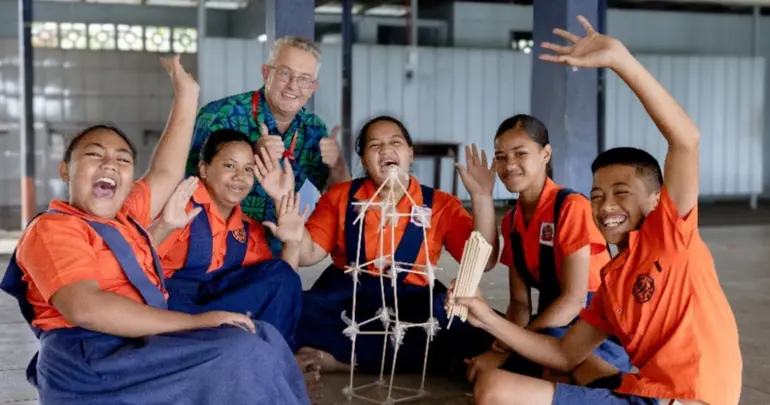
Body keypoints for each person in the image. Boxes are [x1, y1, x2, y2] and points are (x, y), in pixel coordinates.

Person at [452, 16, 742, 405]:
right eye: (598, 195)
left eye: (621, 193)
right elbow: (563, 352)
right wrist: (485, 316)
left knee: (494, 389)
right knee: (555, 364)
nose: (606, 206)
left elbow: (685, 139)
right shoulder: (612, 281)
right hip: (647, 389)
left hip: (687, 399)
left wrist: (621, 60)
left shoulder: (671, 236)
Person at [0, 56, 310, 405]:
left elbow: (165, 170)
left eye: (122, 160)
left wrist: (186, 94)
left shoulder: (126, 214)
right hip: (88, 356)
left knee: (262, 336)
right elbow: (85, 308)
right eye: (95, 155)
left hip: (139, 340)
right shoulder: (54, 227)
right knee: (238, 351)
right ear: (65, 170)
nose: (109, 164)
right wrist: (197, 323)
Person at [261, 115, 500, 375]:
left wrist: (482, 197)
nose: (386, 150)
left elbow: (484, 262)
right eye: (375, 145)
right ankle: (412, 359)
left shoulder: (441, 204)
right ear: (363, 159)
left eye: (395, 142)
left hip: (412, 300)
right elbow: (307, 254)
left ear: (410, 154)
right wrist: (292, 230)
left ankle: (341, 358)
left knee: (461, 321)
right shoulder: (341, 197)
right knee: (286, 308)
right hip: (346, 297)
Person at [463, 114, 631, 384]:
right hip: (550, 325)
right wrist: (507, 339)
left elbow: (574, 300)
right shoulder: (512, 222)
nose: (509, 165)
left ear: (546, 154)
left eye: (520, 154)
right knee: (476, 353)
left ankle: (607, 385)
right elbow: (519, 304)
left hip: (593, 330)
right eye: (501, 157)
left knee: (516, 370)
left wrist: (513, 344)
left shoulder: (570, 207)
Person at [189, 35, 351, 257]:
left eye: (304, 79)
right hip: (214, 251)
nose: (293, 85)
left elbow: (338, 197)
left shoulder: (314, 130)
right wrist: (248, 155)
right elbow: (188, 183)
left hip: (273, 254)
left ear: (313, 87)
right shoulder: (219, 115)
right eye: (285, 73)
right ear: (266, 73)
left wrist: (338, 165)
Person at [148, 128, 307, 349]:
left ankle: (277, 359)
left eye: (248, 169)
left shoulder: (248, 229)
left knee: (280, 275)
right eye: (229, 166)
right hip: (172, 310)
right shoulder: (177, 210)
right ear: (204, 169)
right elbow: (136, 265)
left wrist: (292, 242)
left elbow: (280, 289)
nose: (239, 177)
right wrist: (163, 225)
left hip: (217, 310)